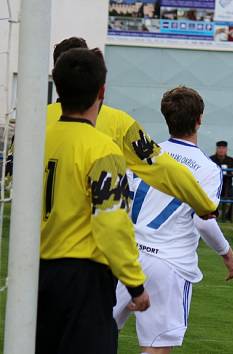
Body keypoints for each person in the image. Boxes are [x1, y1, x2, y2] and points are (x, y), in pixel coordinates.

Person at [37, 47, 150, 354]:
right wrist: (135, 285)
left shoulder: (38, 137)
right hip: (82, 277)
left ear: (57, 86)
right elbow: (111, 223)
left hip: (35, 271)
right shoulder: (102, 149)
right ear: (102, 91)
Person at [114, 86, 233, 354]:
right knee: (156, 347)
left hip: (125, 255)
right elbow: (204, 220)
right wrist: (226, 253)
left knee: (96, 334)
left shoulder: (143, 154)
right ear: (199, 119)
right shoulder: (208, 169)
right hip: (167, 263)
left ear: (166, 119)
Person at [47, 37, 218, 220]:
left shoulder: (33, 122)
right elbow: (160, 166)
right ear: (97, 83)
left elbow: (12, 173)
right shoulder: (119, 123)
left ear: (57, 79)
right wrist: (203, 203)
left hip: (34, 237)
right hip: (87, 237)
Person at [209, 140, 233, 222]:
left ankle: (228, 216)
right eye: (219, 148)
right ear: (216, 149)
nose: (221, 150)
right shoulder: (210, 159)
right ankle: (213, 217)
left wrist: (232, 172)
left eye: (223, 148)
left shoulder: (231, 160)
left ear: (226, 149)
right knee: (210, 199)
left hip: (228, 187)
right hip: (214, 188)